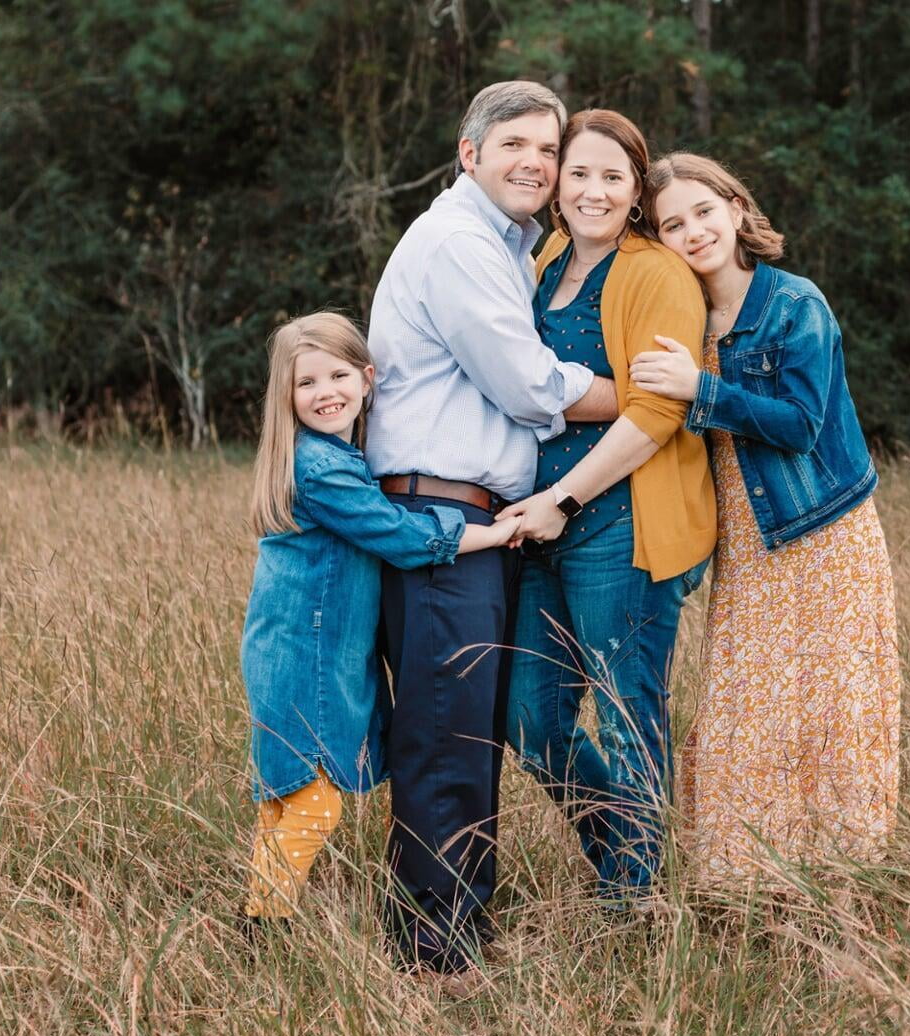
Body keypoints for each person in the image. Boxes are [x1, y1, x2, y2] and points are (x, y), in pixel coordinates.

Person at [363, 81, 617, 979]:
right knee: (444, 733)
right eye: (515, 144)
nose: (536, 163)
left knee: (469, 728)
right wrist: (647, 404)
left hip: (477, 520)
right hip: (439, 516)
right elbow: (527, 383)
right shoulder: (459, 242)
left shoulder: (512, 247)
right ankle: (437, 955)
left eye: (548, 150)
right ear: (467, 152)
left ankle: (457, 929)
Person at [630, 153, 901, 882]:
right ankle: (751, 882)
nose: (693, 232)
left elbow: (803, 423)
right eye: (672, 225)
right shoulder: (680, 319)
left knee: (828, 710)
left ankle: (840, 880)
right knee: (744, 713)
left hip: (821, 533)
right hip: (746, 544)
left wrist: (701, 388)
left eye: (704, 212)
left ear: (738, 210)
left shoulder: (793, 303)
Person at [239, 311, 520, 926]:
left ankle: (259, 911)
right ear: (285, 397)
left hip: (289, 647)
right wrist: (491, 533)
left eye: (338, 375)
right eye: (306, 383)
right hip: (304, 653)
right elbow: (401, 536)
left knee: (285, 801)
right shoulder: (324, 469)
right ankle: (263, 922)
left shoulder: (337, 458)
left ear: (368, 378)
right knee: (316, 804)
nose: (325, 393)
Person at [498, 110, 714, 903]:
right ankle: (624, 847)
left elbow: (657, 412)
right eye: (578, 172)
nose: (592, 190)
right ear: (557, 184)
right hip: (540, 523)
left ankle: (636, 897)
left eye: (612, 178)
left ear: (636, 192)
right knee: (529, 717)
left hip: (620, 522)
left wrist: (562, 498)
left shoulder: (657, 272)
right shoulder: (546, 256)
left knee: (628, 713)